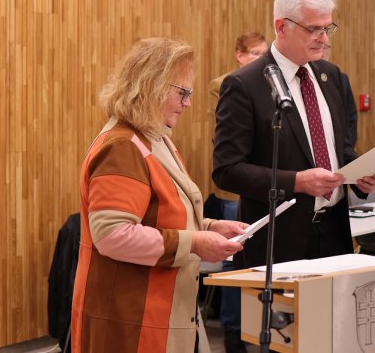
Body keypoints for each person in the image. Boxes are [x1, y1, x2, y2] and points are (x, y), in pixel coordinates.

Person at [72, 38, 247, 352]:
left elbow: (161, 212)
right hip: (130, 320)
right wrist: (195, 243)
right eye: (183, 93)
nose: (188, 103)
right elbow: (113, 235)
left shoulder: (156, 138)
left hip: (159, 311)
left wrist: (208, 227)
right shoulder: (123, 146)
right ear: (150, 87)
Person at [213, 0, 375, 270]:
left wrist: (359, 173)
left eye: (327, 28)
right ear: (282, 27)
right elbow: (227, 170)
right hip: (279, 241)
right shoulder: (245, 84)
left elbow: (338, 145)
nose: (324, 38)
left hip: (334, 233)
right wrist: (297, 182)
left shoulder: (332, 76)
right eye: (313, 29)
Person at [207, 31, 268, 352]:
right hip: (235, 191)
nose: (262, 60)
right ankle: (234, 331)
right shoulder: (227, 84)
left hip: (265, 185)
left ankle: (258, 326)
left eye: (265, 53)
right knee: (234, 260)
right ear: (240, 55)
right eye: (255, 54)